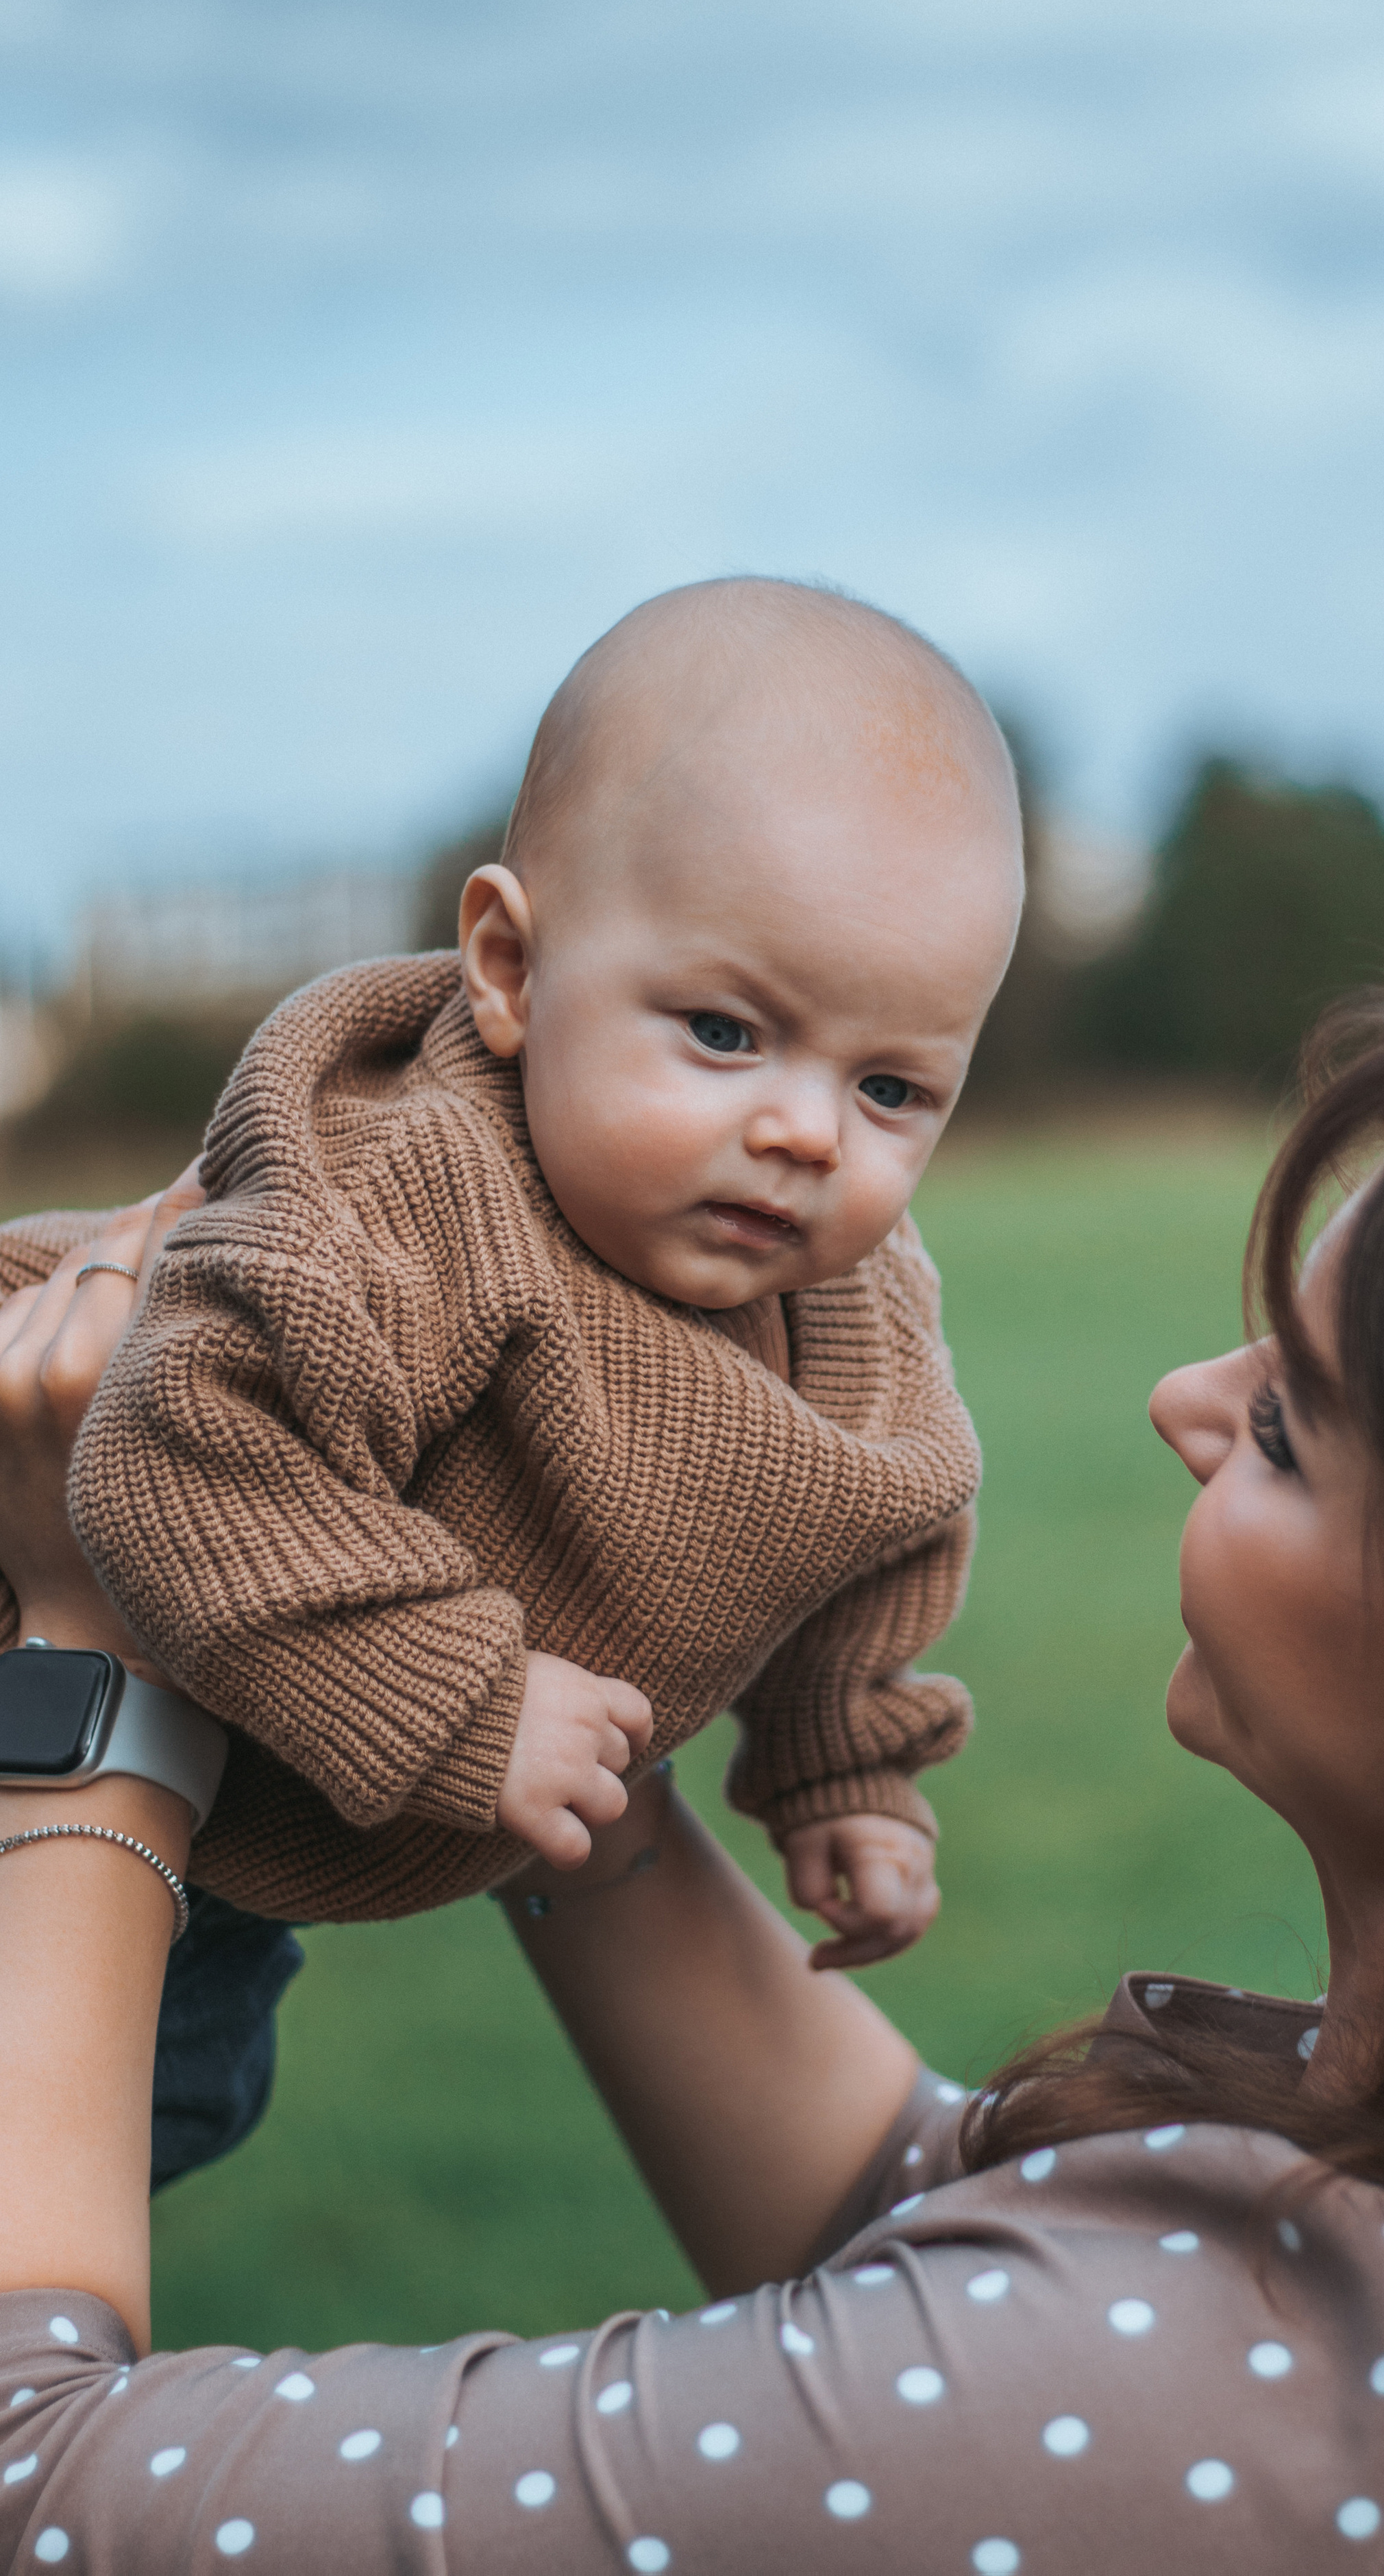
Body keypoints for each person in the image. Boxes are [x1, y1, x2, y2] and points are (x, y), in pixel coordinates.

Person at [2, 946, 1384, 2573]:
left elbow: (42, 2483)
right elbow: (915, 2230)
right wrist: (531, 1673)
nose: (1183, 1400)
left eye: (1287, 1426)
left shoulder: (1267, 2397)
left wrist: (89, 1639)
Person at [0, 576, 1023, 2188]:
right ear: (507, 969)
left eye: (890, 1085)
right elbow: (176, 1446)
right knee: (115, 2132)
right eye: (722, 1031)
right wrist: (466, 1700)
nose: (808, 1130)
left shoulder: (856, 1320)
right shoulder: (413, 1203)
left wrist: (845, 1768)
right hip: (50, 1664)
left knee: (168, 2117)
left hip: (248, 1794)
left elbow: (878, 1539)